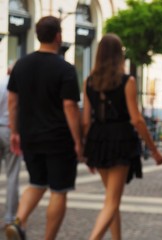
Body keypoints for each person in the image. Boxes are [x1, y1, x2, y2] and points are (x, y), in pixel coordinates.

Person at [5, 16, 83, 240]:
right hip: (59, 139)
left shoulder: (21, 65)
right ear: (58, 36)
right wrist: (78, 141)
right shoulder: (66, 69)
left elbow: (13, 102)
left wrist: (15, 132)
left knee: (36, 183)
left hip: (30, 136)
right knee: (59, 190)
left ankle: (17, 222)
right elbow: (70, 106)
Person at [82, 33, 162, 240]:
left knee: (111, 199)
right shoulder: (127, 81)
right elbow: (137, 120)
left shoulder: (89, 81)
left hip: (97, 139)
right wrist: (153, 150)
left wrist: (86, 149)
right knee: (112, 201)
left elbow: (85, 120)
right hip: (120, 139)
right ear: (120, 55)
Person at [0, 63, 22, 228]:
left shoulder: (1, 84)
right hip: (11, 130)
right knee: (12, 175)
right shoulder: (19, 88)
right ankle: (10, 216)